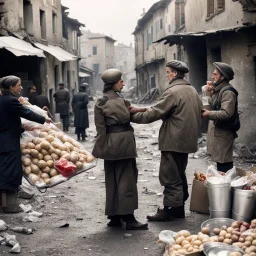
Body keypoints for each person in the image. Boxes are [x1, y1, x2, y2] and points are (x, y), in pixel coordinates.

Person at [130, 60, 202, 221]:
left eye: (168, 72)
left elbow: (154, 113)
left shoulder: (172, 92)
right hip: (186, 140)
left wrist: (130, 115)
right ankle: (178, 209)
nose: (166, 74)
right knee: (179, 173)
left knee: (170, 176)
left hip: (173, 140)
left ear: (175, 74)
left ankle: (170, 210)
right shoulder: (192, 90)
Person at [92, 69, 148, 230]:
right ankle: (129, 218)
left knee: (112, 180)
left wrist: (100, 149)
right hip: (124, 144)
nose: (123, 83)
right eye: (120, 81)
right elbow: (128, 115)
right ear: (113, 84)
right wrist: (139, 110)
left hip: (109, 144)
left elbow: (100, 129)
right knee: (127, 180)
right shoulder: (121, 101)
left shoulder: (101, 102)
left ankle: (114, 216)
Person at [0, 76, 50, 213]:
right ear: (11, 87)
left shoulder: (4, 99)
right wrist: (44, 119)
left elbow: (7, 120)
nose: (21, 88)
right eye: (19, 85)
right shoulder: (9, 100)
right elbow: (26, 113)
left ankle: (6, 203)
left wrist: (23, 128)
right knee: (10, 170)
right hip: (7, 140)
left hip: (6, 137)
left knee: (6, 168)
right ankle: (10, 206)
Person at [202, 62, 240, 172]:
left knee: (224, 164)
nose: (212, 77)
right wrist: (208, 93)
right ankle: (224, 186)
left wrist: (208, 114)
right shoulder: (219, 91)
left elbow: (226, 114)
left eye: (215, 75)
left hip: (225, 132)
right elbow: (211, 107)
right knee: (220, 162)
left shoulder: (228, 92)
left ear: (223, 77)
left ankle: (226, 187)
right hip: (220, 132)